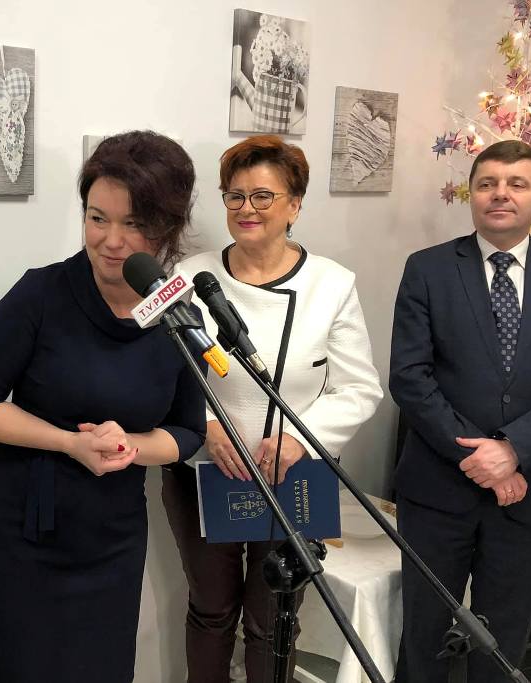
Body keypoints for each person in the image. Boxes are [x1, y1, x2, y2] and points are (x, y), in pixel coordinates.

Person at [0, 131, 207, 683]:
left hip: (113, 533)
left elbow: (188, 431)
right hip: (28, 530)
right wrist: (70, 442)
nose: (111, 241)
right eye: (97, 218)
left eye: (134, 224)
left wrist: (131, 446)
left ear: (168, 226)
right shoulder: (39, 295)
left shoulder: (178, 313)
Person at [390, 139, 531, 683]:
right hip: (437, 492)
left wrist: (513, 451)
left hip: (528, 494)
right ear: (472, 193)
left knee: (503, 643)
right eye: (487, 183)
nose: (500, 194)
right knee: (423, 634)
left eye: (517, 184)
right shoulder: (427, 269)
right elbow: (410, 378)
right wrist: (481, 459)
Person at [166, 134, 383, 682]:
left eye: (263, 196)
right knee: (211, 610)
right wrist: (203, 423)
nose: (247, 209)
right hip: (204, 470)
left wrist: (298, 441)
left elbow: (359, 389)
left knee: (274, 620)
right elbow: (159, 373)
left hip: (292, 474)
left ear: (295, 204)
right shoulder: (189, 277)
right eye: (235, 196)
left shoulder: (330, 285)